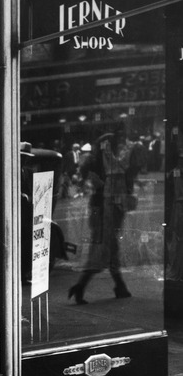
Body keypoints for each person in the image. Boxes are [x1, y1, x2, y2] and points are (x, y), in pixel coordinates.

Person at [68, 127, 136, 304]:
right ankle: (81, 286)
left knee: (110, 249)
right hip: (103, 211)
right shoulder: (103, 165)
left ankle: (119, 286)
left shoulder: (101, 163)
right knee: (102, 250)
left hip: (100, 210)